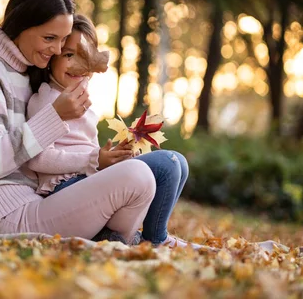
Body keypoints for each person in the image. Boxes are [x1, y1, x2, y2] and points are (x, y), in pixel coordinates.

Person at [0, 0, 155, 244]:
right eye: (50, 38)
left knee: (151, 168)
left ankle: (121, 239)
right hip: (1, 216)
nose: (57, 50)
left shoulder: (24, 70)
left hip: (36, 203)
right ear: (21, 24)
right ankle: (123, 240)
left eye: (61, 41)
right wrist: (55, 116)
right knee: (137, 177)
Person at [27, 15, 190, 247]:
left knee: (179, 163)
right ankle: (154, 240)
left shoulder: (84, 104)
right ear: (53, 57)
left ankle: (133, 235)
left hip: (88, 180)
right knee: (167, 163)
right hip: (62, 190)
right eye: (69, 55)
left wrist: (113, 157)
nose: (77, 64)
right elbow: (38, 159)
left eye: (85, 56)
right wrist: (94, 160)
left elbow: (91, 156)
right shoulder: (45, 99)